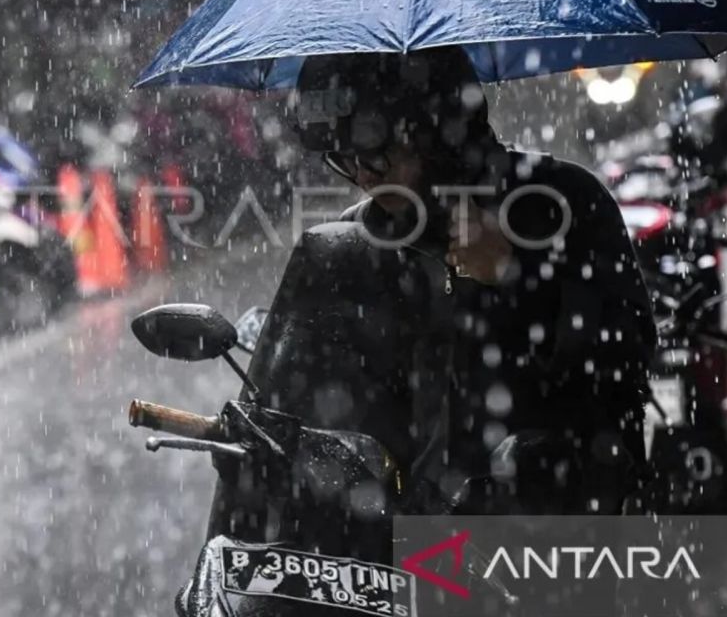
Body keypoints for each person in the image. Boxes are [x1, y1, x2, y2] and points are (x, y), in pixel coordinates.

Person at [209, 47, 655, 536]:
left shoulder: (564, 204)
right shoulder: (353, 241)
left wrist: (514, 276)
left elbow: (623, 365)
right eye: (344, 160)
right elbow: (308, 411)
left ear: (441, 134)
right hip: (395, 546)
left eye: (377, 155)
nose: (362, 177)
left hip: (546, 535)